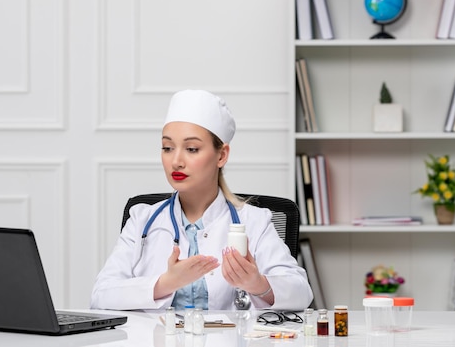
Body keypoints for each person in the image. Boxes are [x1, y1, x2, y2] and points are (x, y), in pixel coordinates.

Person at [90, 89, 313, 311]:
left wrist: (259, 285)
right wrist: (165, 283)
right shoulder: (142, 219)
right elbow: (100, 295)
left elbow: (301, 293)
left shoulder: (254, 220)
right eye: (167, 148)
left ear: (221, 155)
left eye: (192, 149)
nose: (176, 161)